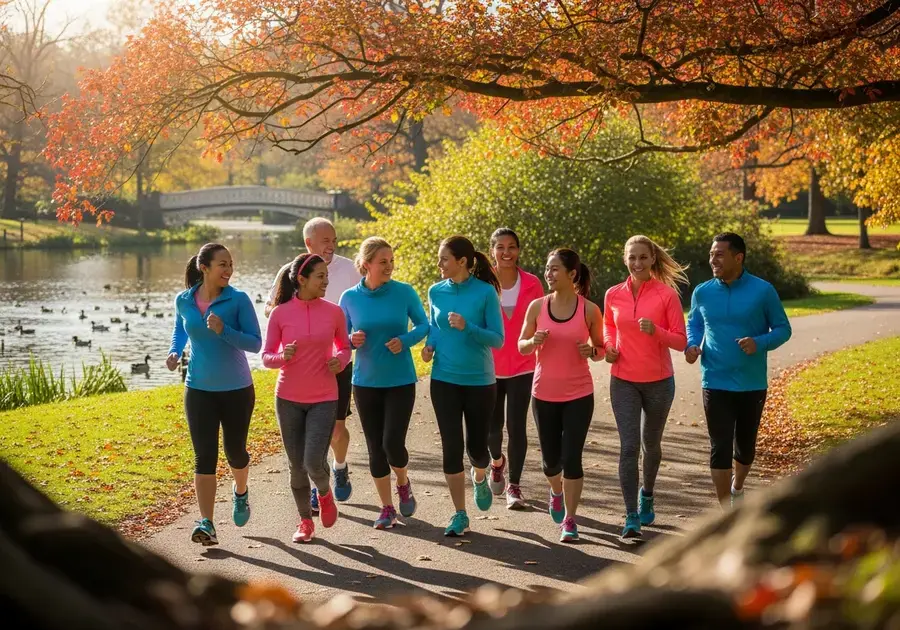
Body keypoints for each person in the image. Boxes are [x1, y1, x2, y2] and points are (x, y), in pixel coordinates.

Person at [685, 233, 792, 508]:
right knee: (719, 447)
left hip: (751, 383)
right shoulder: (702, 291)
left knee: (745, 448)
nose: (713, 260)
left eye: (719, 254)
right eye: (711, 254)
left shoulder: (763, 291)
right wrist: (692, 344)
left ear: (738, 257)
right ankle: (725, 513)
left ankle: (738, 486)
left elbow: (783, 329)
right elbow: (694, 323)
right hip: (714, 380)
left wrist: (759, 342)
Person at [166, 243, 262, 546]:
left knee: (236, 452)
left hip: (237, 389)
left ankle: (241, 492)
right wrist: (174, 351)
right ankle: (206, 522)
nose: (229, 270)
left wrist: (224, 331)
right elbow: (181, 329)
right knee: (204, 456)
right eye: (222, 264)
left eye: (230, 264)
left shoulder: (238, 300)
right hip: (198, 389)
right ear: (204, 267)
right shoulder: (184, 300)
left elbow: (255, 343)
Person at [266, 217, 358, 509]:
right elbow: (271, 307)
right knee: (309, 441)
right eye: (325, 240)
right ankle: (317, 485)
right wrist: (290, 318)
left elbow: (365, 299)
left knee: (337, 430)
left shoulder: (350, 269)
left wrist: (350, 340)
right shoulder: (291, 271)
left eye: (334, 240)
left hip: (335, 363)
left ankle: (339, 466)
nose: (331, 245)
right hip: (301, 365)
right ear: (309, 243)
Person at [339, 237, 430, 529]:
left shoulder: (404, 292)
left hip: (400, 380)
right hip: (365, 382)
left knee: (392, 443)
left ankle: (402, 482)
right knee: (375, 447)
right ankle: (386, 507)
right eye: (383, 262)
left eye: (391, 261)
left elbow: (424, 325)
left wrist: (405, 340)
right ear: (367, 264)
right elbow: (340, 339)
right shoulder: (349, 298)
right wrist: (350, 340)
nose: (389, 266)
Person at [603, 235, 688, 539]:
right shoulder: (613, 294)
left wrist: (657, 331)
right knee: (629, 447)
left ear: (652, 259)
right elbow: (608, 326)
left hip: (659, 383)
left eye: (642, 257)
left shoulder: (666, 295)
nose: (637, 263)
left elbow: (681, 341)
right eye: (632, 257)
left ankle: (647, 493)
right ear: (625, 259)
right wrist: (609, 347)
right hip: (623, 380)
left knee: (650, 444)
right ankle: (631, 516)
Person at [518, 248, 604, 543]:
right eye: (547, 268)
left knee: (572, 458)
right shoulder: (537, 307)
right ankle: (555, 490)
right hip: (544, 394)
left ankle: (570, 518)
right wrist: (533, 340)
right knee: (550, 463)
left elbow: (601, 349)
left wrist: (592, 350)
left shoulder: (589, 310)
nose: (549, 274)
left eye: (555, 269)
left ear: (572, 274)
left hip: (579, 394)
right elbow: (521, 346)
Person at [422, 235, 504, 537]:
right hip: (444, 379)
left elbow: (498, 339)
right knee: (451, 447)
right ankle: (460, 513)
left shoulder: (485, 293)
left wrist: (468, 327)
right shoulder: (435, 291)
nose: (439, 264)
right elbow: (435, 327)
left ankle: (480, 475)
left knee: (478, 450)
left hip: (479, 381)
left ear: (462, 261)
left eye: (444, 259)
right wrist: (429, 346)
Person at [487, 228, 544, 509]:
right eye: (500, 247)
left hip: (524, 365)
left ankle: (515, 486)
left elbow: (542, 322)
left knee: (516, 426)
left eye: (511, 247)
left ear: (518, 250)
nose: (506, 252)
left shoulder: (533, 284)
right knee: (492, 429)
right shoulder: (483, 283)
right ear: (492, 252)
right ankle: (497, 462)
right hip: (489, 367)